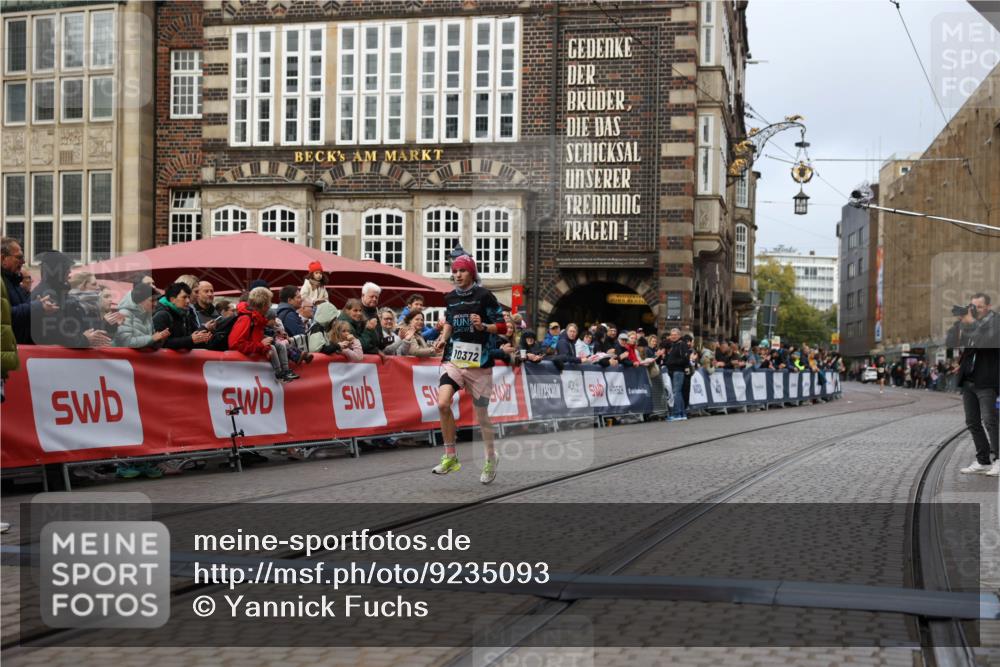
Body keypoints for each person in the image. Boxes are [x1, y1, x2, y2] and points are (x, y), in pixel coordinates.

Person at [431, 254, 507, 484]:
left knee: (481, 416)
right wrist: (443, 338)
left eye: (462, 271)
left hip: (479, 363)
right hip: (454, 359)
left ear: (471, 273)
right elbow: (450, 322)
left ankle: (491, 458)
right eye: (454, 271)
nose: (457, 275)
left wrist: (484, 325)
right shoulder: (450, 297)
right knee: (443, 403)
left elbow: (504, 326)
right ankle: (450, 456)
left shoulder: (485, 296)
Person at [947, 293, 999, 476]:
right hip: (969, 381)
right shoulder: (970, 325)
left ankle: (999, 460)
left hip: (987, 380)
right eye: (972, 306)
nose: (975, 310)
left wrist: (971, 322)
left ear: (988, 307)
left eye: (979, 306)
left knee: (990, 421)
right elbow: (967, 348)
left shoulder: (995, 322)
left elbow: (986, 342)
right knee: (972, 422)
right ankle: (983, 460)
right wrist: (960, 365)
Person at [32, 251, 110, 348]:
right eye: (67, 268)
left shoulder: (57, 292)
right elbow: (57, 331)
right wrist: (84, 339)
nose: (69, 272)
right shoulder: (47, 294)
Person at [229, 286, 296, 382]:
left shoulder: (257, 318)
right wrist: (261, 346)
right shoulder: (246, 319)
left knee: (277, 346)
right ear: (264, 304)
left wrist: (265, 349)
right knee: (273, 346)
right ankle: (279, 374)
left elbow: (257, 340)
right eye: (269, 302)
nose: (270, 305)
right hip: (245, 371)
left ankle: (284, 372)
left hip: (251, 367)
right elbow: (235, 344)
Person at [152, 282, 212, 350]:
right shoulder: (162, 315)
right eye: (184, 297)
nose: (188, 301)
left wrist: (201, 338)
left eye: (189, 297)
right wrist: (190, 339)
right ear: (172, 300)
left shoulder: (184, 314)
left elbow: (187, 340)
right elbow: (161, 344)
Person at [114, 282, 170, 349]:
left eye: (156, 300)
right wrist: (152, 338)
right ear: (140, 300)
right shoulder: (125, 313)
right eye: (152, 300)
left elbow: (151, 344)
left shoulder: (148, 314)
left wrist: (160, 339)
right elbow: (127, 342)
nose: (156, 304)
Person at [664, 329, 689, 421]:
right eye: (671, 335)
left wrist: (673, 362)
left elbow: (685, 358)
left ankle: (677, 414)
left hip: (678, 371)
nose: (673, 336)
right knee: (678, 392)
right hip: (673, 371)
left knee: (676, 392)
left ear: (679, 335)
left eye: (675, 335)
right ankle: (682, 413)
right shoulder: (673, 345)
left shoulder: (682, 344)